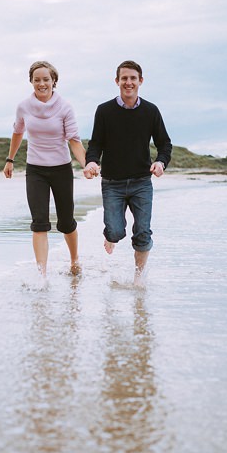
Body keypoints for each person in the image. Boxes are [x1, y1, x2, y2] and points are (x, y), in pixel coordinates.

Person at [83, 60, 172, 285]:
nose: (128, 82)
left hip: (142, 182)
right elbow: (95, 144)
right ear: (117, 81)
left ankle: (138, 279)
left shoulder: (151, 111)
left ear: (140, 81)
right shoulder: (104, 111)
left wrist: (161, 162)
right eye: (124, 78)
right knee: (114, 232)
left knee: (142, 233)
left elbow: (164, 144)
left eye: (133, 78)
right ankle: (110, 236)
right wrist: (92, 161)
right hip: (112, 183)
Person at [4, 61, 88, 277]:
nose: (41, 83)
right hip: (36, 170)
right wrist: (10, 159)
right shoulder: (23, 106)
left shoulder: (65, 107)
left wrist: (86, 164)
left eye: (46, 79)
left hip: (61, 169)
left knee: (66, 222)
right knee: (39, 222)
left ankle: (74, 260)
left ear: (54, 81)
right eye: (37, 79)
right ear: (31, 81)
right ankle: (41, 274)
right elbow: (17, 133)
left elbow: (74, 140)